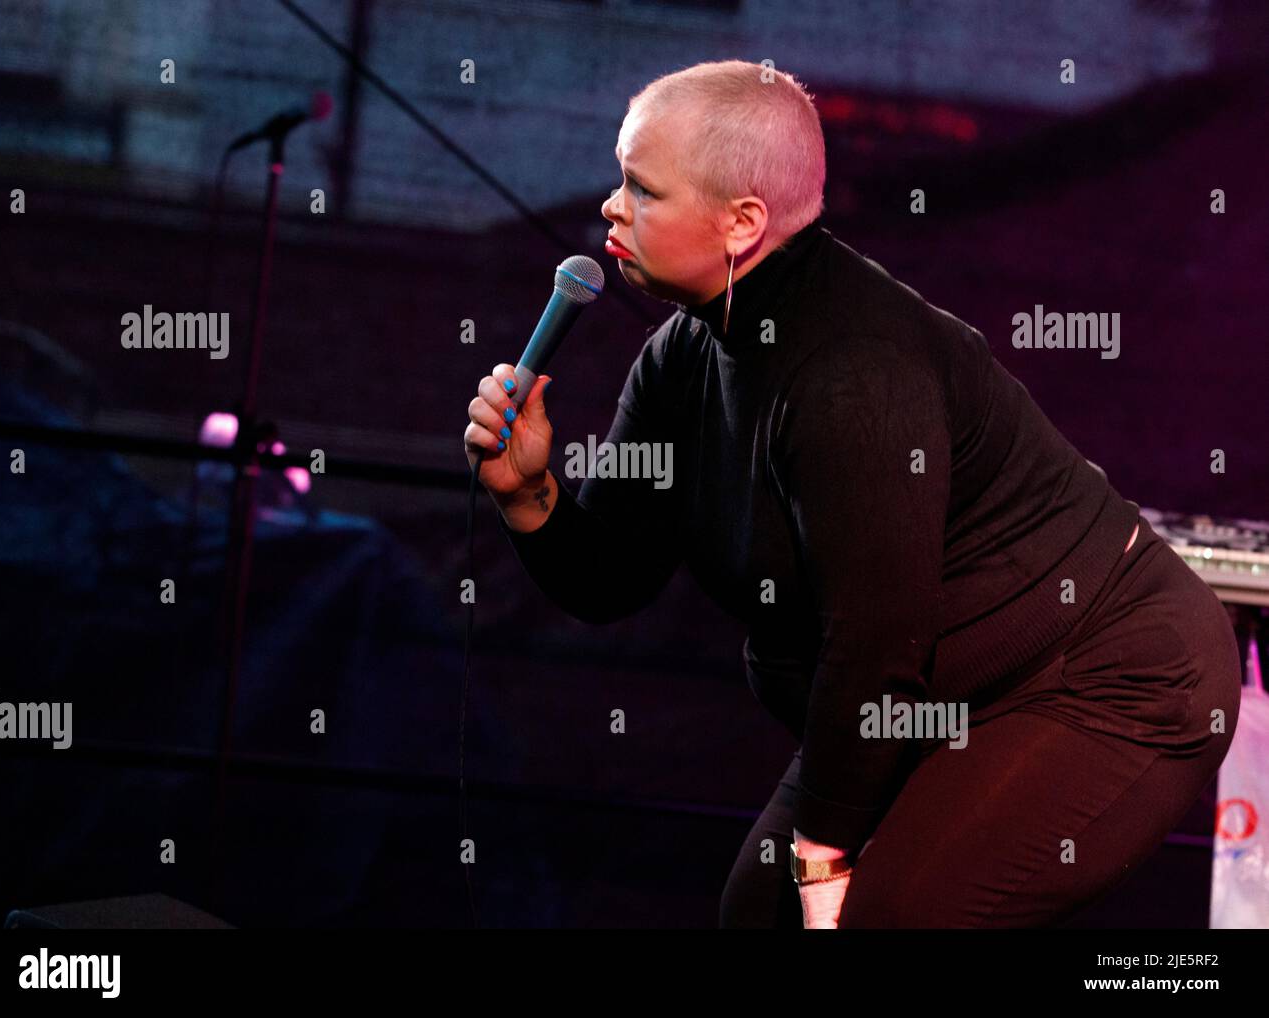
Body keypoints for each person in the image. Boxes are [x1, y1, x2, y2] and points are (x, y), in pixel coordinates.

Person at [462, 60, 1243, 928]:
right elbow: (609, 578)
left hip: (1108, 678)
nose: (610, 206)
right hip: (919, 700)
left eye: (642, 189)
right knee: (760, 918)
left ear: (742, 223)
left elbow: (875, 646)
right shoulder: (683, 357)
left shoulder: (854, 377)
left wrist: (823, 857)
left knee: (887, 920)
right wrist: (529, 494)